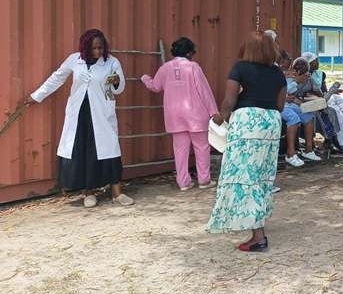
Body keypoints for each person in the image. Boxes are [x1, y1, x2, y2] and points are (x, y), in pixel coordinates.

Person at [25, 29, 134, 208]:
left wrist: (115, 82)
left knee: (111, 151)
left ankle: (117, 193)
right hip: (80, 113)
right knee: (85, 151)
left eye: (100, 48)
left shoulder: (111, 62)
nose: (98, 52)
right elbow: (56, 79)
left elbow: (119, 87)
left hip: (101, 113)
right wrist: (36, 96)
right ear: (85, 48)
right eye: (94, 48)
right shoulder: (74, 60)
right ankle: (89, 192)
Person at [206, 30, 287, 251]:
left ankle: (258, 236)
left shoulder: (239, 67)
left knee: (244, 176)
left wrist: (220, 118)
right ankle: (255, 221)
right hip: (270, 124)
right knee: (261, 176)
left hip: (247, 123)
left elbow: (229, 101)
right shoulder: (278, 74)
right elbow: (280, 106)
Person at [141, 37, 219, 191]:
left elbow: (155, 86)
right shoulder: (193, 67)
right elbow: (204, 92)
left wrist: (144, 78)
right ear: (189, 53)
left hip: (174, 116)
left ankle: (183, 182)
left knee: (180, 149)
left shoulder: (165, 68)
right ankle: (204, 180)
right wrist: (214, 112)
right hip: (196, 116)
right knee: (202, 147)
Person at [286, 57, 324, 161]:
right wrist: (296, 82)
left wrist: (302, 104)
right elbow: (281, 93)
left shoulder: (293, 76)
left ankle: (308, 150)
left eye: (302, 65)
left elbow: (292, 93)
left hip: (291, 102)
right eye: (296, 64)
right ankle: (291, 153)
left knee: (308, 116)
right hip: (282, 103)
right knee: (294, 118)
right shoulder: (279, 74)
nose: (298, 67)